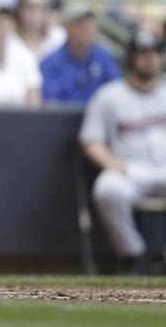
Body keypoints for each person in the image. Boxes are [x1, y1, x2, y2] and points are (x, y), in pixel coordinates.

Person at [79, 30, 166, 273]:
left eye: (155, 54)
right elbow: (91, 141)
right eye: (143, 54)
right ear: (130, 58)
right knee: (108, 189)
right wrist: (115, 165)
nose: (150, 60)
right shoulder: (109, 96)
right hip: (131, 169)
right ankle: (134, 255)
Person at [39, 2, 119, 104]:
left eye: (91, 25)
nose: (87, 30)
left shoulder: (104, 58)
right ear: (67, 28)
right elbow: (50, 103)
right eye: (80, 25)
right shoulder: (51, 63)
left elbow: (117, 94)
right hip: (63, 118)